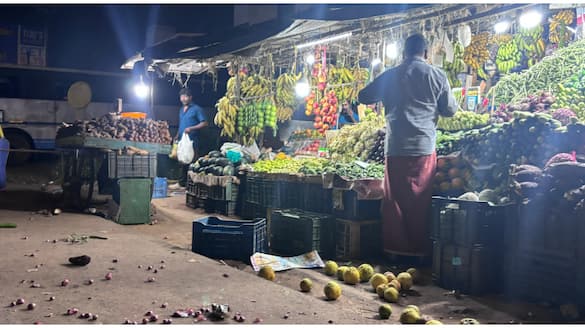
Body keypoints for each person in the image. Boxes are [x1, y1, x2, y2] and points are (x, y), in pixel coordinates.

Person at [358, 33, 458, 261]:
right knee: (419, 200)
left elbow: (363, 96)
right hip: (424, 146)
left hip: (396, 147)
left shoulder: (392, 75)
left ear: (403, 53)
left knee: (395, 200)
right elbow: (450, 110)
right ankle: (418, 252)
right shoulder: (437, 75)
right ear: (426, 52)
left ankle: (395, 251)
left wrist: (386, 89)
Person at [169, 88, 208, 189]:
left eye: (186, 96)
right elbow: (182, 124)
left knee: (192, 162)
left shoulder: (197, 109)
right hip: (182, 140)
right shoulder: (181, 110)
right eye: (182, 96)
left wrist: (191, 128)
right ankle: (182, 183)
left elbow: (204, 123)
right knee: (182, 161)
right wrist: (177, 134)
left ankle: (191, 185)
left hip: (192, 140)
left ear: (190, 97)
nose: (183, 98)